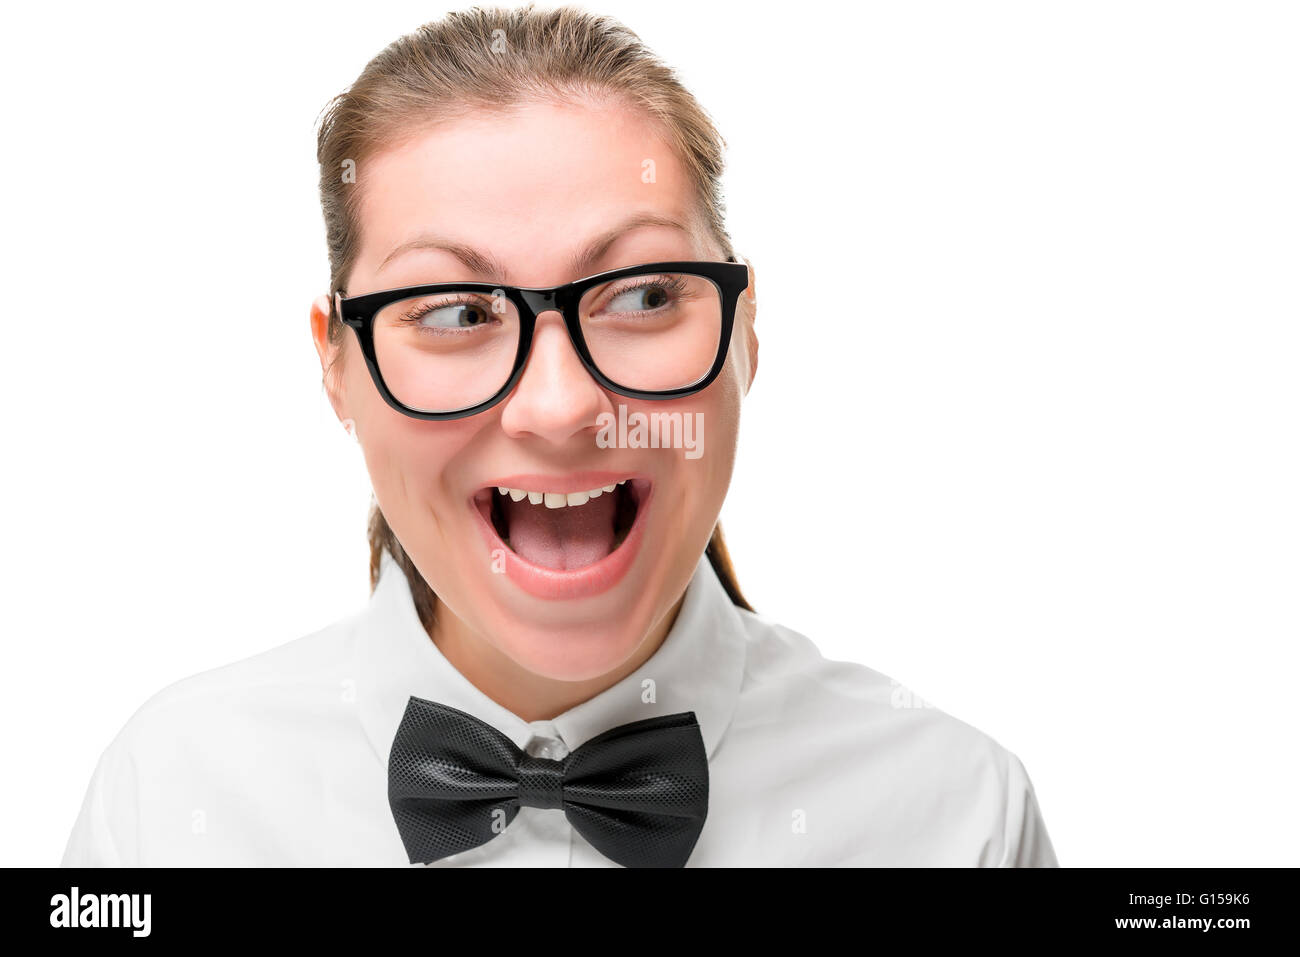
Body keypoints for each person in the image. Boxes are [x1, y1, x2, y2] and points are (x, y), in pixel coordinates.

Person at [60, 3, 1057, 867]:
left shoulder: (955, 814)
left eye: (642, 294)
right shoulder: (168, 801)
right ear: (338, 367)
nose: (557, 407)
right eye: (453, 312)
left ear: (746, 333)